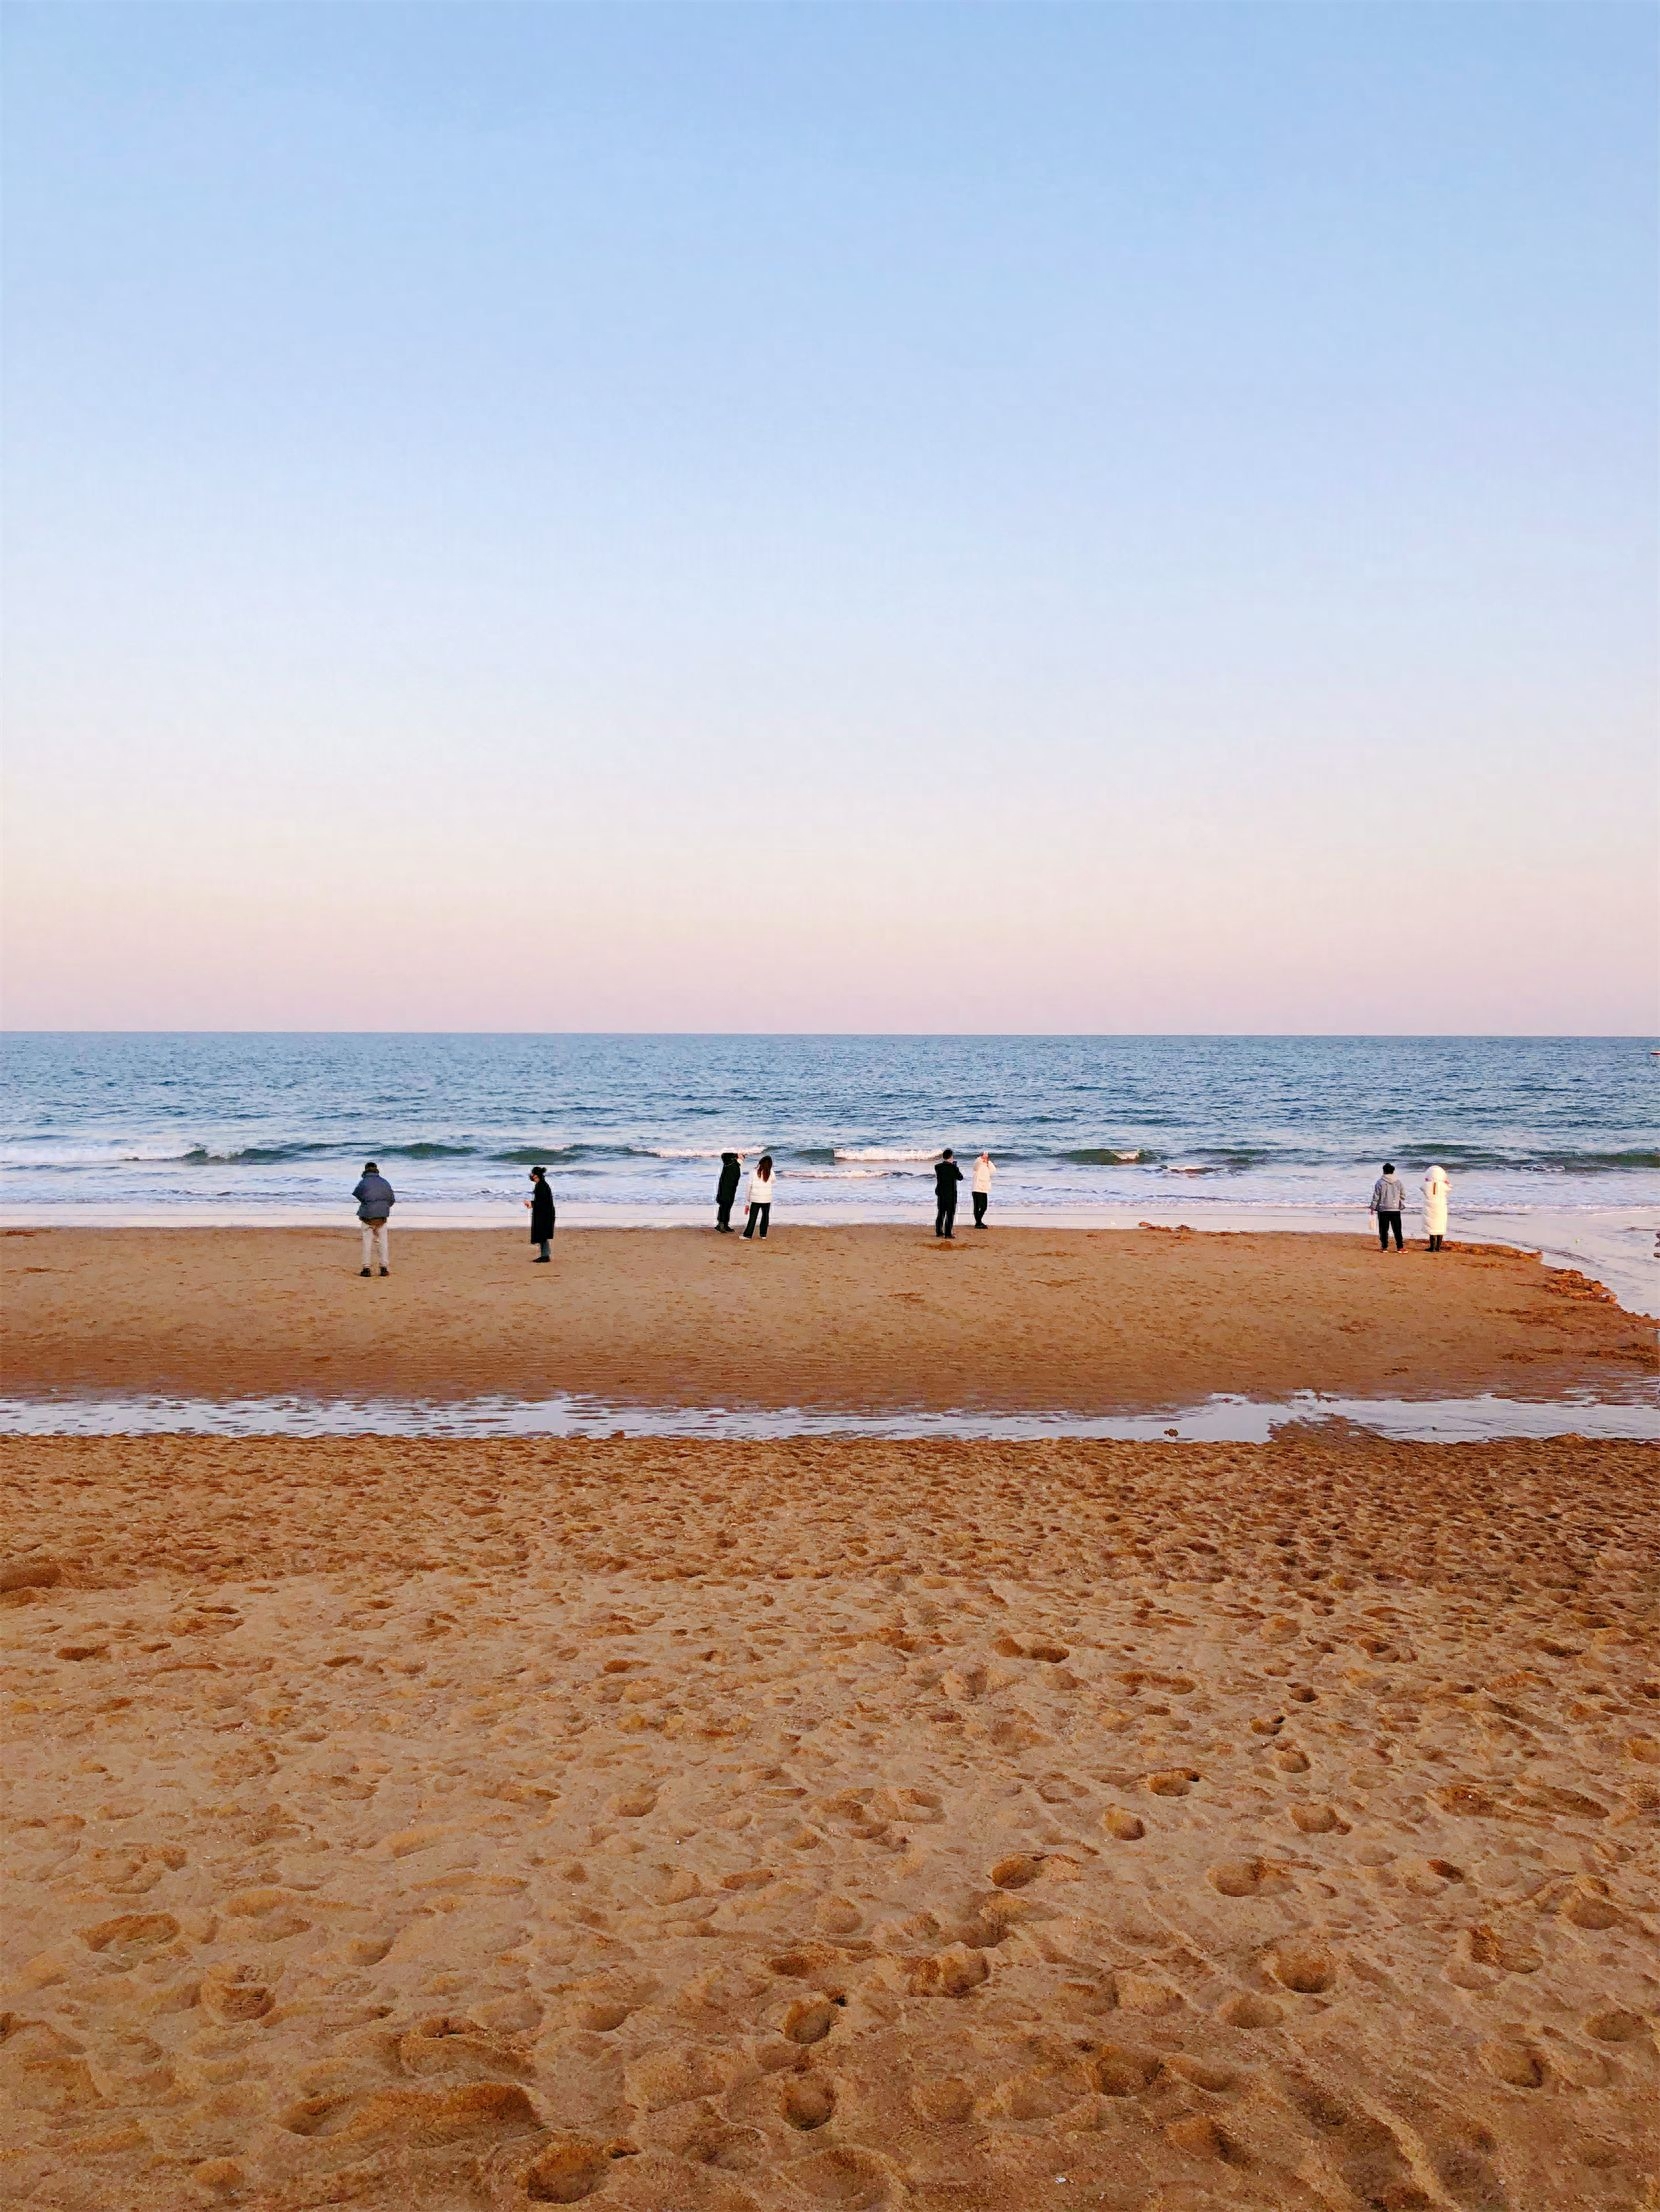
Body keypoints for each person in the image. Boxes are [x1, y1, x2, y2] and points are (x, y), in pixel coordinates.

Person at [353, 1161, 395, 1277]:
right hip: (382, 1216)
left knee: (367, 1243)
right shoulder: (385, 1182)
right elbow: (391, 1200)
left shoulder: (363, 1182)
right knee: (382, 1243)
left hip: (367, 1216)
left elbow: (357, 1194)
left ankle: (366, 1268)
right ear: (376, 1170)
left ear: (365, 1170)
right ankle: (384, 1268)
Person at [1369, 1161, 1406, 1252]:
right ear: (1393, 1171)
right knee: (1397, 1229)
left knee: (1383, 1229)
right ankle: (1400, 1247)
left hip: (1383, 1209)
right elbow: (1403, 1195)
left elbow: (1376, 1196)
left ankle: (1384, 1247)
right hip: (1395, 1209)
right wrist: (1397, 1200)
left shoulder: (1379, 1182)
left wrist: (1372, 1207)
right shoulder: (1398, 1182)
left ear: (1384, 1171)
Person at [524, 1165, 556, 1261]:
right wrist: (532, 1204)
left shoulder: (541, 1186)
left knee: (542, 1234)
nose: (531, 1175)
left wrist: (531, 1203)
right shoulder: (541, 1185)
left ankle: (545, 1256)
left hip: (545, 1213)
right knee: (543, 1234)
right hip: (544, 1212)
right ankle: (545, 1255)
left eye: (532, 1173)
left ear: (536, 1176)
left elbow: (542, 1202)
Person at [742, 1154, 775, 1239]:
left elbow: (748, 1186)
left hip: (756, 1198)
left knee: (752, 1218)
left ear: (760, 1162)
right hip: (767, 1198)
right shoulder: (771, 1172)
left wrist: (747, 1200)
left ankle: (748, 1235)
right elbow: (774, 1181)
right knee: (765, 1216)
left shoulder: (753, 1172)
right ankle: (763, 1234)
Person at [934, 1148, 964, 1239]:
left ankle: (939, 1232)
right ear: (951, 1157)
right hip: (950, 1194)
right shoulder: (953, 1167)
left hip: (941, 1193)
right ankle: (948, 1233)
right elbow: (960, 1177)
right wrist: (955, 1167)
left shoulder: (937, 1167)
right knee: (950, 1214)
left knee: (941, 1213)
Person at [1422, 1164, 1449, 1253]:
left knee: (1431, 1227)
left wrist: (1427, 1181)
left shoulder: (1426, 1185)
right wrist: (1446, 1182)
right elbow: (1449, 1188)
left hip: (1429, 1207)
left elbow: (1422, 1188)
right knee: (1440, 1227)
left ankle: (1432, 1247)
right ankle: (1438, 1247)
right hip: (1440, 1207)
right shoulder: (1443, 1186)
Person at [715, 1151, 743, 1232]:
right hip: (724, 1189)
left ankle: (726, 1224)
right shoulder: (729, 1162)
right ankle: (721, 1224)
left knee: (728, 1206)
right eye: (741, 1158)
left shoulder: (737, 1166)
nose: (742, 1160)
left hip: (731, 1189)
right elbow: (723, 1155)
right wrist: (736, 1154)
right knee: (724, 1206)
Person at [971, 1150, 995, 1228]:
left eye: (987, 1156)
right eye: (984, 1155)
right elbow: (975, 1166)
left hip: (984, 1189)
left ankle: (978, 1222)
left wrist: (988, 1162)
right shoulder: (978, 1163)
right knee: (977, 1206)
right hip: (977, 1188)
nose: (985, 1157)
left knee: (984, 1207)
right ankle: (978, 1223)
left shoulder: (988, 1165)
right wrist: (981, 1159)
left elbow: (993, 1171)